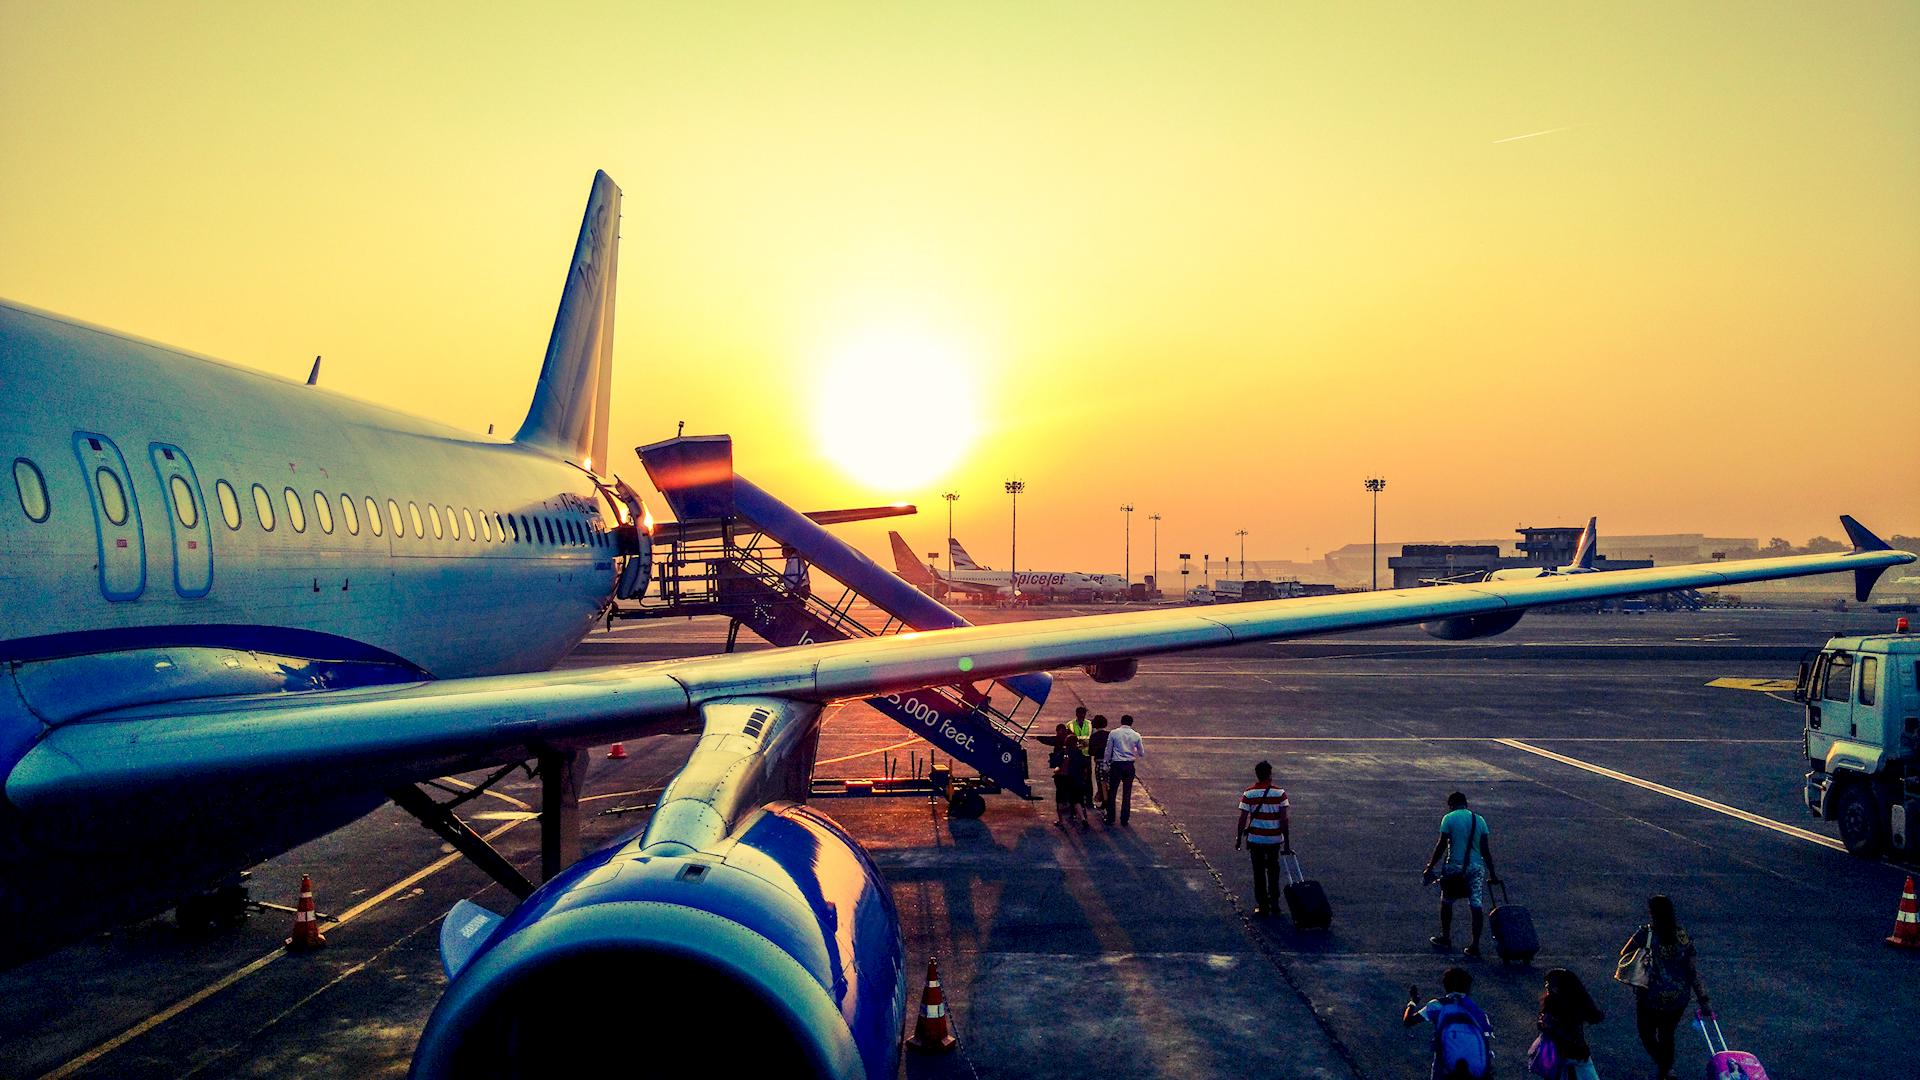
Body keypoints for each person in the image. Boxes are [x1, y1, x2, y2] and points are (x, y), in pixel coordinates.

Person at [1614, 895, 1711, 1080]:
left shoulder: (1646, 934)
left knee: (1646, 1033)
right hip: (1678, 996)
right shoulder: (1681, 936)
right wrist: (1703, 999)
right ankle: (1666, 1069)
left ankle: (1663, 1064)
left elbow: (1625, 952)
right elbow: (1692, 970)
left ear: (1652, 913)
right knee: (1667, 1034)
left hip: (1650, 994)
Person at [1420, 792, 1499, 957]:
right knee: (1476, 905)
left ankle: (1446, 936)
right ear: (1466, 803)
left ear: (1451, 804)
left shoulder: (1449, 818)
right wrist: (1492, 873)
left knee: (1447, 901)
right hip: (1476, 867)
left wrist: (1430, 866)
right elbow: (1485, 850)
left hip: (1455, 866)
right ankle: (1475, 945)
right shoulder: (1480, 820)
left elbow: (1442, 845)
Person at [1402, 966, 1493, 1080]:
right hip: (1475, 1065)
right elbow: (1486, 1036)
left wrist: (1412, 1002)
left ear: (1446, 986)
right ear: (1467, 987)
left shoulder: (1436, 1005)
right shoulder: (1476, 1010)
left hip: (1446, 1063)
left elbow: (1408, 1021)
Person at [1235, 760, 1291, 916]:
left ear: (1257, 774)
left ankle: (1262, 904)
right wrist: (1286, 843)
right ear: (1270, 774)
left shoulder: (1249, 793)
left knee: (1258, 872)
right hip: (1274, 840)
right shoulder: (1280, 793)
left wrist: (1239, 838)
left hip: (1256, 840)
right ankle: (1275, 902)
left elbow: (1242, 819)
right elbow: (1284, 820)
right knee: (1273, 871)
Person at [1536, 967, 1604, 1080]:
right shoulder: (1573, 1004)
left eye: (1550, 984)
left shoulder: (1558, 1006)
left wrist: (1547, 1026)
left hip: (1563, 1055)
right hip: (1573, 1055)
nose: (1547, 986)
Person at [1103, 714, 1143, 825]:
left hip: (1117, 765)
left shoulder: (1114, 733)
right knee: (1127, 793)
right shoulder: (1136, 735)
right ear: (1131, 723)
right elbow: (1141, 753)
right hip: (1129, 765)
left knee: (1112, 792)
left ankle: (1111, 817)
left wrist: (1106, 763)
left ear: (1121, 722)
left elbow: (1108, 750)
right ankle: (1124, 818)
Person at [1047, 723, 1081, 830]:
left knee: (1060, 801)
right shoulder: (1078, 753)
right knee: (1076, 800)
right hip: (1075, 778)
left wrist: (1056, 772)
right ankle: (1082, 818)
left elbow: (1058, 766)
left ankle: (1061, 821)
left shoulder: (1063, 753)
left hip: (1063, 779)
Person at [1067, 707, 1094, 809]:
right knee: (1074, 778)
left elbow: (1091, 738)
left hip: (1086, 755)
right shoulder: (1070, 725)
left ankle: (1088, 801)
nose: (1082, 716)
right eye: (1081, 714)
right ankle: (1076, 800)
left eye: (1083, 714)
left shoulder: (1090, 724)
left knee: (1087, 779)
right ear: (1077, 714)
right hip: (1075, 756)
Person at [1088, 714, 1112, 809]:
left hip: (1099, 762)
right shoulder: (1109, 735)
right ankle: (1107, 800)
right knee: (1108, 783)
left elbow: (1091, 752)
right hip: (1110, 762)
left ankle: (1105, 801)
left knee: (1101, 782)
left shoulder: (1094, 736)